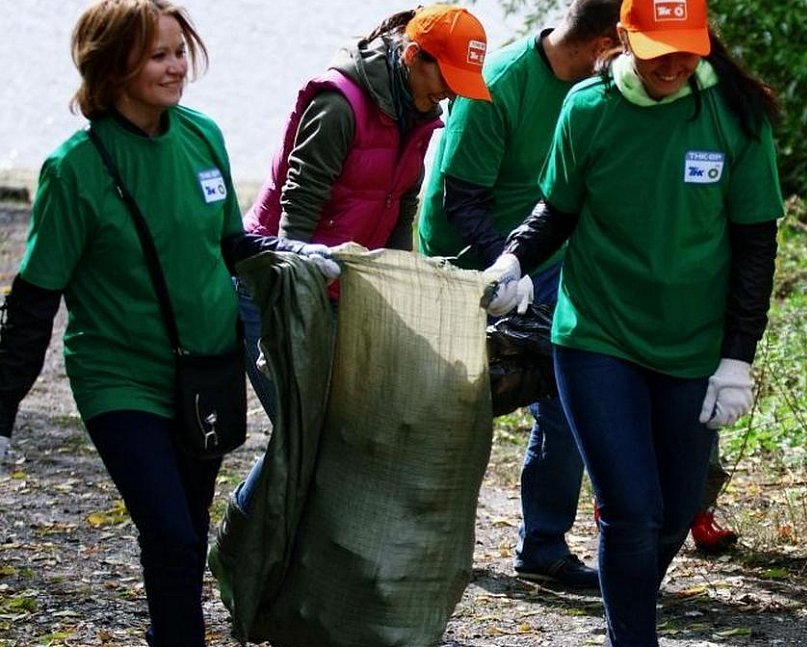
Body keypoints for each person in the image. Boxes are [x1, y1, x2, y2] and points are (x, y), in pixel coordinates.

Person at [0, 1, 337, 645]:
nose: (176, 65)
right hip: (120, 379)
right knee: (171, 532)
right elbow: (35, 298)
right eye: (158, 54)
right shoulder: (76, 168)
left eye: (179, 51)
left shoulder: (202, 135)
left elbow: (231, 243)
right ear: (110, 64)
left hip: (206, 372)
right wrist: (3, 409)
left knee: (187, 523)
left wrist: (299, 255)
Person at [481, 0, 783, 640]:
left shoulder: (735, 117)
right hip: (598, 336)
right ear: (623, 38)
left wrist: (737, 358)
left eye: (687, 47)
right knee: (632, 513)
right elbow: (556, 211)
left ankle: (628, 588)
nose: (674, 63)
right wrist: (512, 261)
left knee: (674, 513)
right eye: (656, 49)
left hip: (693, 345)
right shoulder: (588, 109)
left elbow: (756, 246)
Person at [417, 0, 620, 589]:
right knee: (452, 406)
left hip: (549, 260)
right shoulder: (501, 83)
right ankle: (426, 538)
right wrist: (504, 271)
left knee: (569, 388)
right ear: (602, 42)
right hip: (463, 260)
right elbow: (462, 201)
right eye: (625, 48)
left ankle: (544, 547)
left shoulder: (598, 89)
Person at [238, 4, 492, 422]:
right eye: (447, 78)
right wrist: (291, 312)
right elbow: (296, 214)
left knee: (330, 438)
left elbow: (402, 205)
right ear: (412, 56)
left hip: (342, 283)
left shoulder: (418, 112)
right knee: (303, 433)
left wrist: (402, 294)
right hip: (273, 280)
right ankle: (254, 493)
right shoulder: (340, 105)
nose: (451, 93)